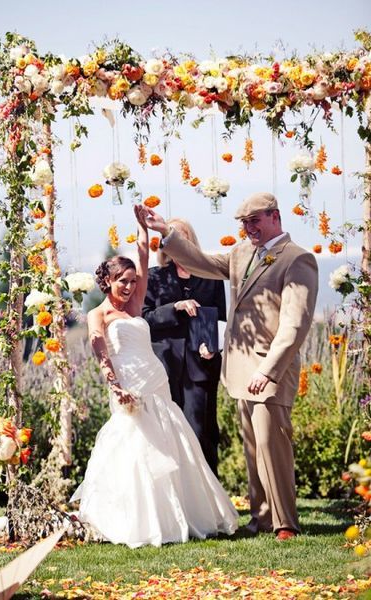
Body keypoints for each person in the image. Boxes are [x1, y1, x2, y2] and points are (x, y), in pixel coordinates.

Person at [136, 192, 318, 541]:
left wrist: (268, 370)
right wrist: (166, 233)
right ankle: (262, 518)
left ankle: (285, 523)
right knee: (253, 446)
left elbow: (295, 325)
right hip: (239, 369)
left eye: (255, 220)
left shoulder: (298, 259)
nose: (248, 228)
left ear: (275, 217)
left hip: (270, 369)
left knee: (271, 444)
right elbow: (203, 262)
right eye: (244, 223)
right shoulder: (241, 254)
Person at [70, 207, 237, 548]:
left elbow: (144, 258)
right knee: (132, 445)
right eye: (123, 282)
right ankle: (134, 518)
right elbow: (100, 351)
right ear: (107, 282)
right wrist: (115, 387)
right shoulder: (97, 314)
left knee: (173, 441)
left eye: (133, 282)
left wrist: (142, 229)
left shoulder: (133, 306)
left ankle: (183, 512)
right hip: (128, 383)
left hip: (154, 378)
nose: (131, 287)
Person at [142, 218, 226, 476]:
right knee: (166, 434)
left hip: (202, 365)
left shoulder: (210, 276)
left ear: (191, 242)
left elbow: (221, 319)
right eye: (172, 237)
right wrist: (174, 308)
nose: (178, 241)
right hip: (165, 366)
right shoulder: (155, 278)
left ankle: (211, 501)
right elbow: (144, 318)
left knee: (202, 431)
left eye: (183, 237)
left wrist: (213, 347)